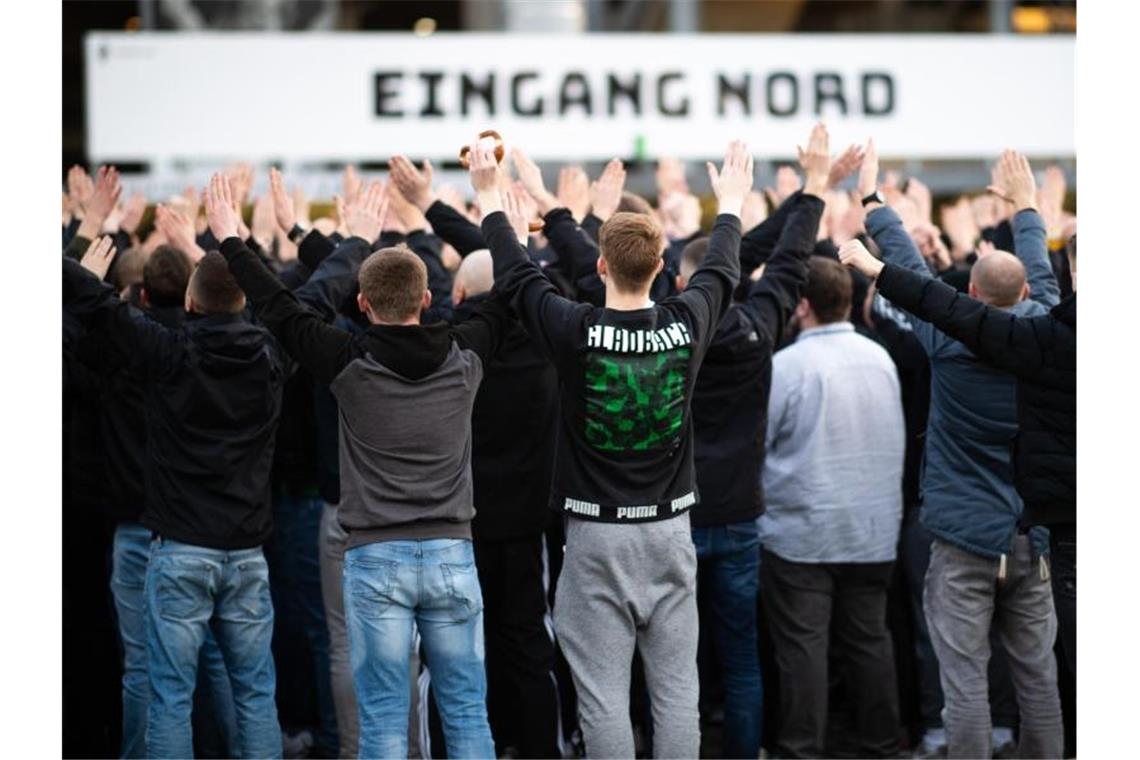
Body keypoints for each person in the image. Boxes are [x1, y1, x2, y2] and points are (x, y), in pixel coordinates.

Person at [469, 133, 753, 758]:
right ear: (660, 268)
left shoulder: (576, 328)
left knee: (603, 700)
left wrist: (491, 198)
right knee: (678, 694)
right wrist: (731, 202)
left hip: (595, 537)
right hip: (670, 531)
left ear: (600, 269)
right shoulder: (688, 321)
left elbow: (517, 278)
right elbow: (723, 269)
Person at [211, 172, 512, 760]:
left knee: (380, 724)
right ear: (429, 300)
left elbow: (278, 306)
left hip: (375, 558)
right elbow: (518, 283)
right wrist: (498, 205)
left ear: (364, 306)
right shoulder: (466, 352)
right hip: (452, 551)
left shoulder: (346, 361)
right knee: (469, 716)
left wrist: (232, 240)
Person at [840, 210, 1077, 757]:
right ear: (1024, 293)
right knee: (1039, 679)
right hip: (1031, 537)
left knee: (964, 681)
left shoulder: (946, 339)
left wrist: (877, 205)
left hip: (961, 539)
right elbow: (1041, 277)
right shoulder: (1047, 333)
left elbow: (914, 278)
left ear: (969, 291)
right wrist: (1027, 214)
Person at [63, 236, 288, 758]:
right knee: (255, 692)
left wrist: (79, 263)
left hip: (181, 549)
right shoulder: (269, 354)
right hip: (246, 551)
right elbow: (302, 300)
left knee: (168, 695)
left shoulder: (168, 353)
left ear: (189, 305)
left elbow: (98, 311)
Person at [680, 124, 835, 759]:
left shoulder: (670, 334)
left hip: (681, 516)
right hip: (743, 515)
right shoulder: (762, 324)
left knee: (677, 657)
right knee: (743, 656)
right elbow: (792, 263)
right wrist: (814, 191)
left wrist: (735, 213)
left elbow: (763, 261)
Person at [758, 253, 905, 757]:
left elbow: (762, 442)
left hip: (802, 533)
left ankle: (802, 750)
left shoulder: (789, 365)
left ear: (801, 306)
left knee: (802, 650)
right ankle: (883, 745)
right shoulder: (880, 358)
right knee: (870, 643)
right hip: (872, 529)